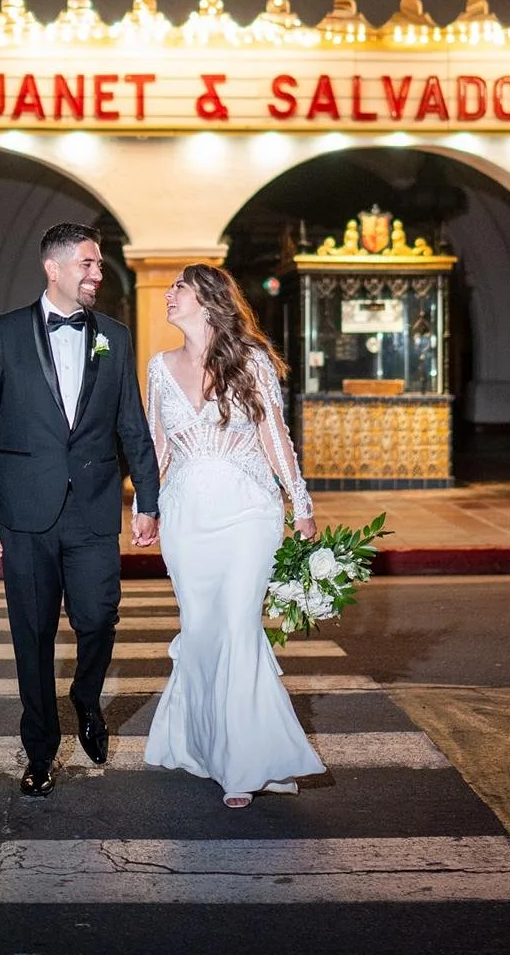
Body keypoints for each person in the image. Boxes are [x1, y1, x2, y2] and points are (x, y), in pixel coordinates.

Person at [0, 221, 161, 798]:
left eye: (99, 266)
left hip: (94, 507)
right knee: (32, 633)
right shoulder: (4, 334)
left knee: (98, 617)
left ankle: (85, 697)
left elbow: (132, 423)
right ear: (54, 268)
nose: (98, 274)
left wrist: (146, 498)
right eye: (89, 264)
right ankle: (41, 751)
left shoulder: (115, 337)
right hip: (23, 508)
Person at [143, 262, 327, 808]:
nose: (169, 295)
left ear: (207, 300)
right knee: (201, 632)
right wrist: (143, 507)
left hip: (249, 511)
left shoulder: (250, 361)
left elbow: (275, 436)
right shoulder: (158, 367)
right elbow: (157, 446)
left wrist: (301, 505)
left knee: (238, 627)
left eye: (179, 288)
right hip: (185, 515)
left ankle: (241, 764)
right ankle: (203, 744)